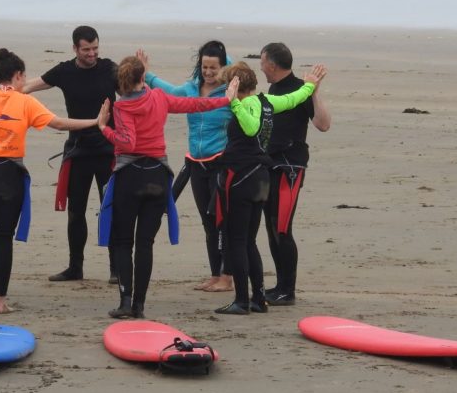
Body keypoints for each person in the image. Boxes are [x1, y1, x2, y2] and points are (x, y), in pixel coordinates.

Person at [0, 48, 101, 314]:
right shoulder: (24, 101)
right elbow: (59, 124)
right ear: (18, 75)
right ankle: (0, 302)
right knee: (2, 238)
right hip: (7, 174)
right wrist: (95, 121)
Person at [95, 55, 232, 319]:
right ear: (143, 77)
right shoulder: (159, 97)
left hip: (130, 176)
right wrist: (225, 99)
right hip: (158, 177)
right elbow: (195, 104)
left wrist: (104, 127)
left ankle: (125, 302)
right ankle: (139, 306)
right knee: (145, 243)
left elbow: (128, 143)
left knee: (123, 242)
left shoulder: (123, 108)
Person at [212, 61, 326, 316]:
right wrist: (310, 86)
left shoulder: (244, 105)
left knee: (238, 241)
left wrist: (234, 102)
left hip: (241, 178)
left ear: (236, 85)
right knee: (249, 241)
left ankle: (242, 300)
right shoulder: (268, 102)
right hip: (262, 177)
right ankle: (259, 298)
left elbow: (251, 128)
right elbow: (294, 98)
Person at [23, 26, 117, 283]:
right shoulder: (64, 71)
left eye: (95, 48)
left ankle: (116, 269)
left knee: (110, 209)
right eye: (86, 49)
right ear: (75, 48)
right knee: (76, 211)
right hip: (78, 150)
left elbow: (135, 88)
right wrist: (2, 96)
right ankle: (75, 267)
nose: (92, 54)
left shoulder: (110, 69)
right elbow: (30, 87)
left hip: (109, 150)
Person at [140, 40, 234, 293]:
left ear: (224, 67)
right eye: (204, 67)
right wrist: (147, 74)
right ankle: (215, 275)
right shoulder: (192, 89)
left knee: (221, 220)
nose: (208, 72)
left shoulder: (231, 93)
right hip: (195, 163)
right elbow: (168, 91)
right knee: (206, 220)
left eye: (214, 68)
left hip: (221, 163)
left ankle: (228, 276)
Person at [259, 42, 332, 306]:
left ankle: (288, 291)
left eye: (262, 61)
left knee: (281, 228)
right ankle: (279, 285)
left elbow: (323, 124)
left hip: (290, 168)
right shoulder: (273, 88)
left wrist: (314, 91)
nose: (261, 67)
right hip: (270, 165)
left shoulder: (302, 89)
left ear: (272, 65)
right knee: (270, 228)